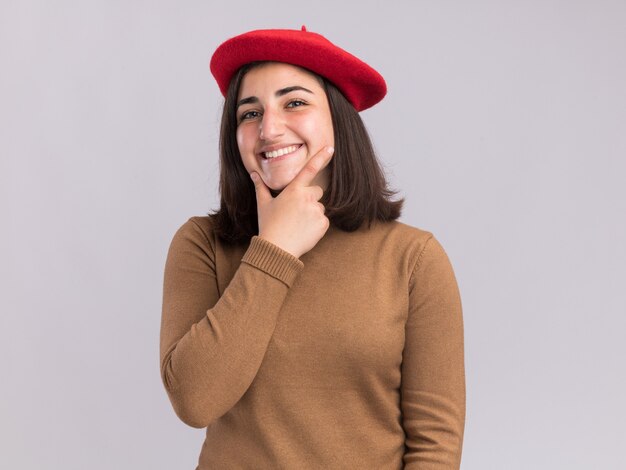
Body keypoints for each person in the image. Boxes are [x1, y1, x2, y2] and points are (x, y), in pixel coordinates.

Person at [160, 26, 466, 469]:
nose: (268, 128)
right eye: (249, 113)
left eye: (295, 103)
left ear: (338, 121)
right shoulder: (201, 245)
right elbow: (194, 400)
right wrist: (273, 251)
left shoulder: (412, 259)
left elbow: (435, 444)